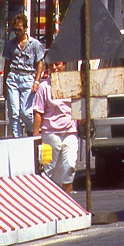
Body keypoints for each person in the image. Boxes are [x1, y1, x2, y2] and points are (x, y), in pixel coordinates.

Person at [32, 59, 78, 193]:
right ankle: (46, 201)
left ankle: (67, 201)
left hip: (70, 133)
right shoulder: (43, 87)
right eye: (51, 65)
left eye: (57, 64)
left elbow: (79, 107)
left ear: (63, 65)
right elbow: (38, 112)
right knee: (47, 170)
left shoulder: (72, 85)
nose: (55, 68)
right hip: (50, 135)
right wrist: (36, 137)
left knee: (69, 168)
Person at [2, 13, 45, 138]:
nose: (17, 33)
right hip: (13, 78)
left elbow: (40, 64)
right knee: (14, 112)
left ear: (25, 29)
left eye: (19, 30)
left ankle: (32, 130)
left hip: (28, 78)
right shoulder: (10, 45)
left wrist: (37, 81)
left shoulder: (35, 45)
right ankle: (17, 139)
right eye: (15, 30)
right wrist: (5, 84)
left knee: (26, 112)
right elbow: (7, 64)